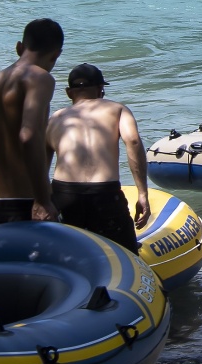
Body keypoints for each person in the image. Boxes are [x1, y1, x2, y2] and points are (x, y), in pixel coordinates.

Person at [0, 18, 63, 227]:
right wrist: (42, 200)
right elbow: (28, 135)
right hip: (30, 206)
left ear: (19, 47)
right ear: (56, 54)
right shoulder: (40, 79)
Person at [46, 64, 149, 251]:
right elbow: (133, 141)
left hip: (64, 195)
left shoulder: (56, 118)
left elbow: (40, 165)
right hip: (104, 195)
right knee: (126, 256)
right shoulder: (117, 110)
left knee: (68, 253)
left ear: (69, 92)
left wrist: (43, 202)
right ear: (101, 89)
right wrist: (142, 193)